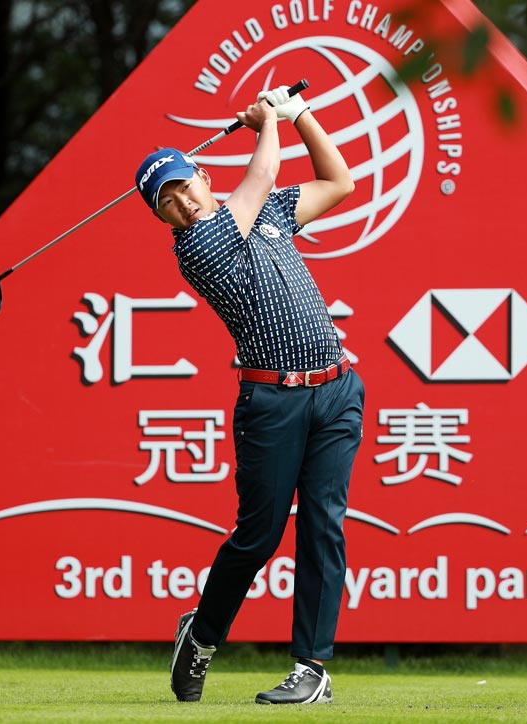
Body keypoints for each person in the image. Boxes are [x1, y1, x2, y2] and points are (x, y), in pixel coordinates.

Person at [133, 85, 364, 705]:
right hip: (273, 403)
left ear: (203, 175)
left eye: (184, 186)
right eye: (166, 201)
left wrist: (301, 115)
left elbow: (339, 181)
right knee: (259, 536)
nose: (180, 202)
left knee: (323, 527)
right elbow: (260, 176)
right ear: (161, 217)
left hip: (336, 389)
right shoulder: (197, 247)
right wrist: (269, 121)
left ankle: (311, 670)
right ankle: (203, 637)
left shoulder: (264, 213)